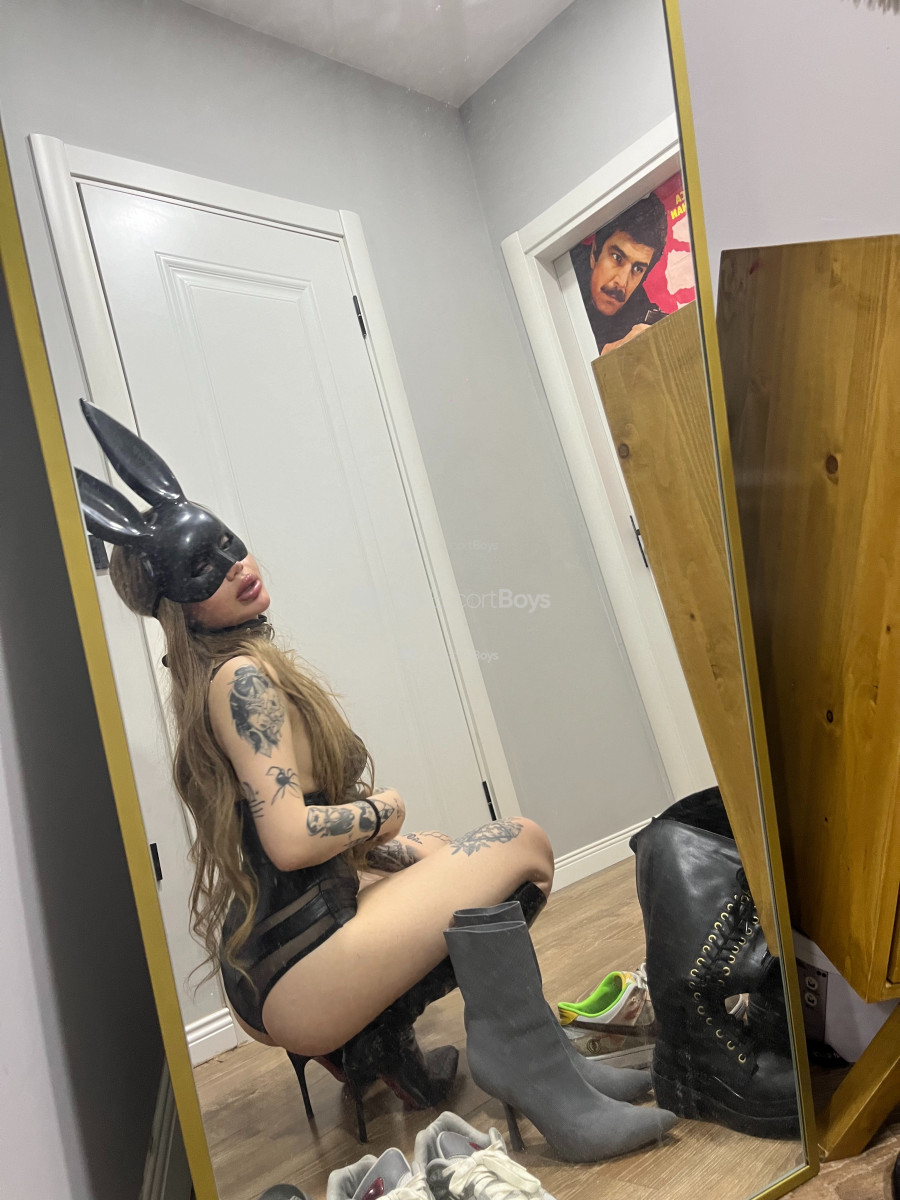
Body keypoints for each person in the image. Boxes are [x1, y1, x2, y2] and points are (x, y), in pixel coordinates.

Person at [77, 400, 671, 1159]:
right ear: (180, 608)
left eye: (229, 543)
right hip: (296, 966)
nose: (237, 566)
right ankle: (531, 1067)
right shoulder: (241, 679)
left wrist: (394, 850)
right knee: (521, 844)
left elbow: (293, 843)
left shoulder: (220, 675)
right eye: (206, 567)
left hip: (274, 952)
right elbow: (291, 839)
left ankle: (479, 1055)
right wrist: (383, 812)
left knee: (443, 855)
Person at [578, 192, 669, 357]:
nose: (622, 282)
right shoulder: (564, 275)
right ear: (594, 253)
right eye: (617, 257)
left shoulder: (642, 313)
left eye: (638, 269)